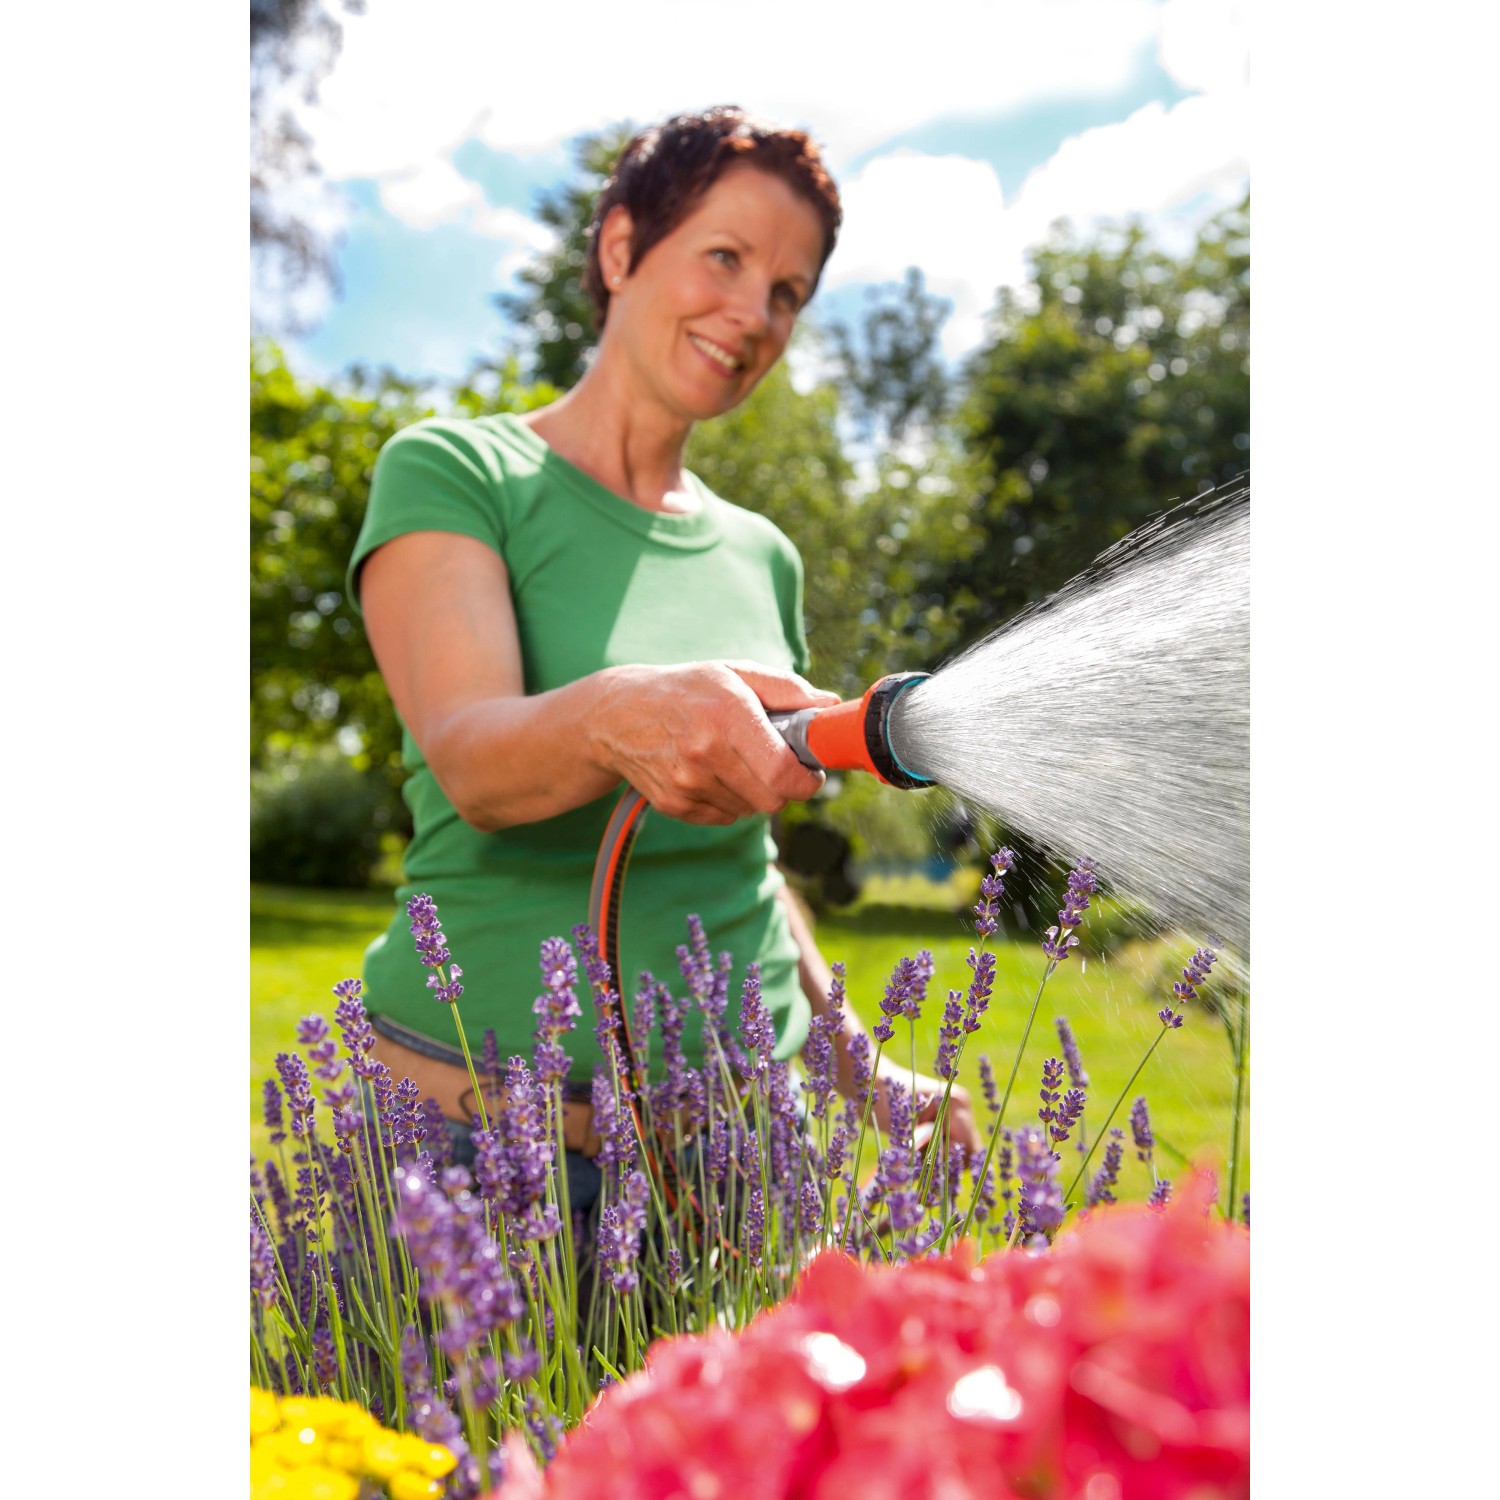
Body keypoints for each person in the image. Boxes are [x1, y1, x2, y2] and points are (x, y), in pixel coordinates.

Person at [346, 106, 977, 1209]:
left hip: (745, 1156)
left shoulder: (762, 554)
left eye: (787, 292)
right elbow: (472, 761)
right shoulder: (457, 472)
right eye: (725, 257)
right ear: (621, 247)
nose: (753, 314)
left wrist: (856, 1061)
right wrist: (617, 713)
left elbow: (751, 863)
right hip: (479, 1157)